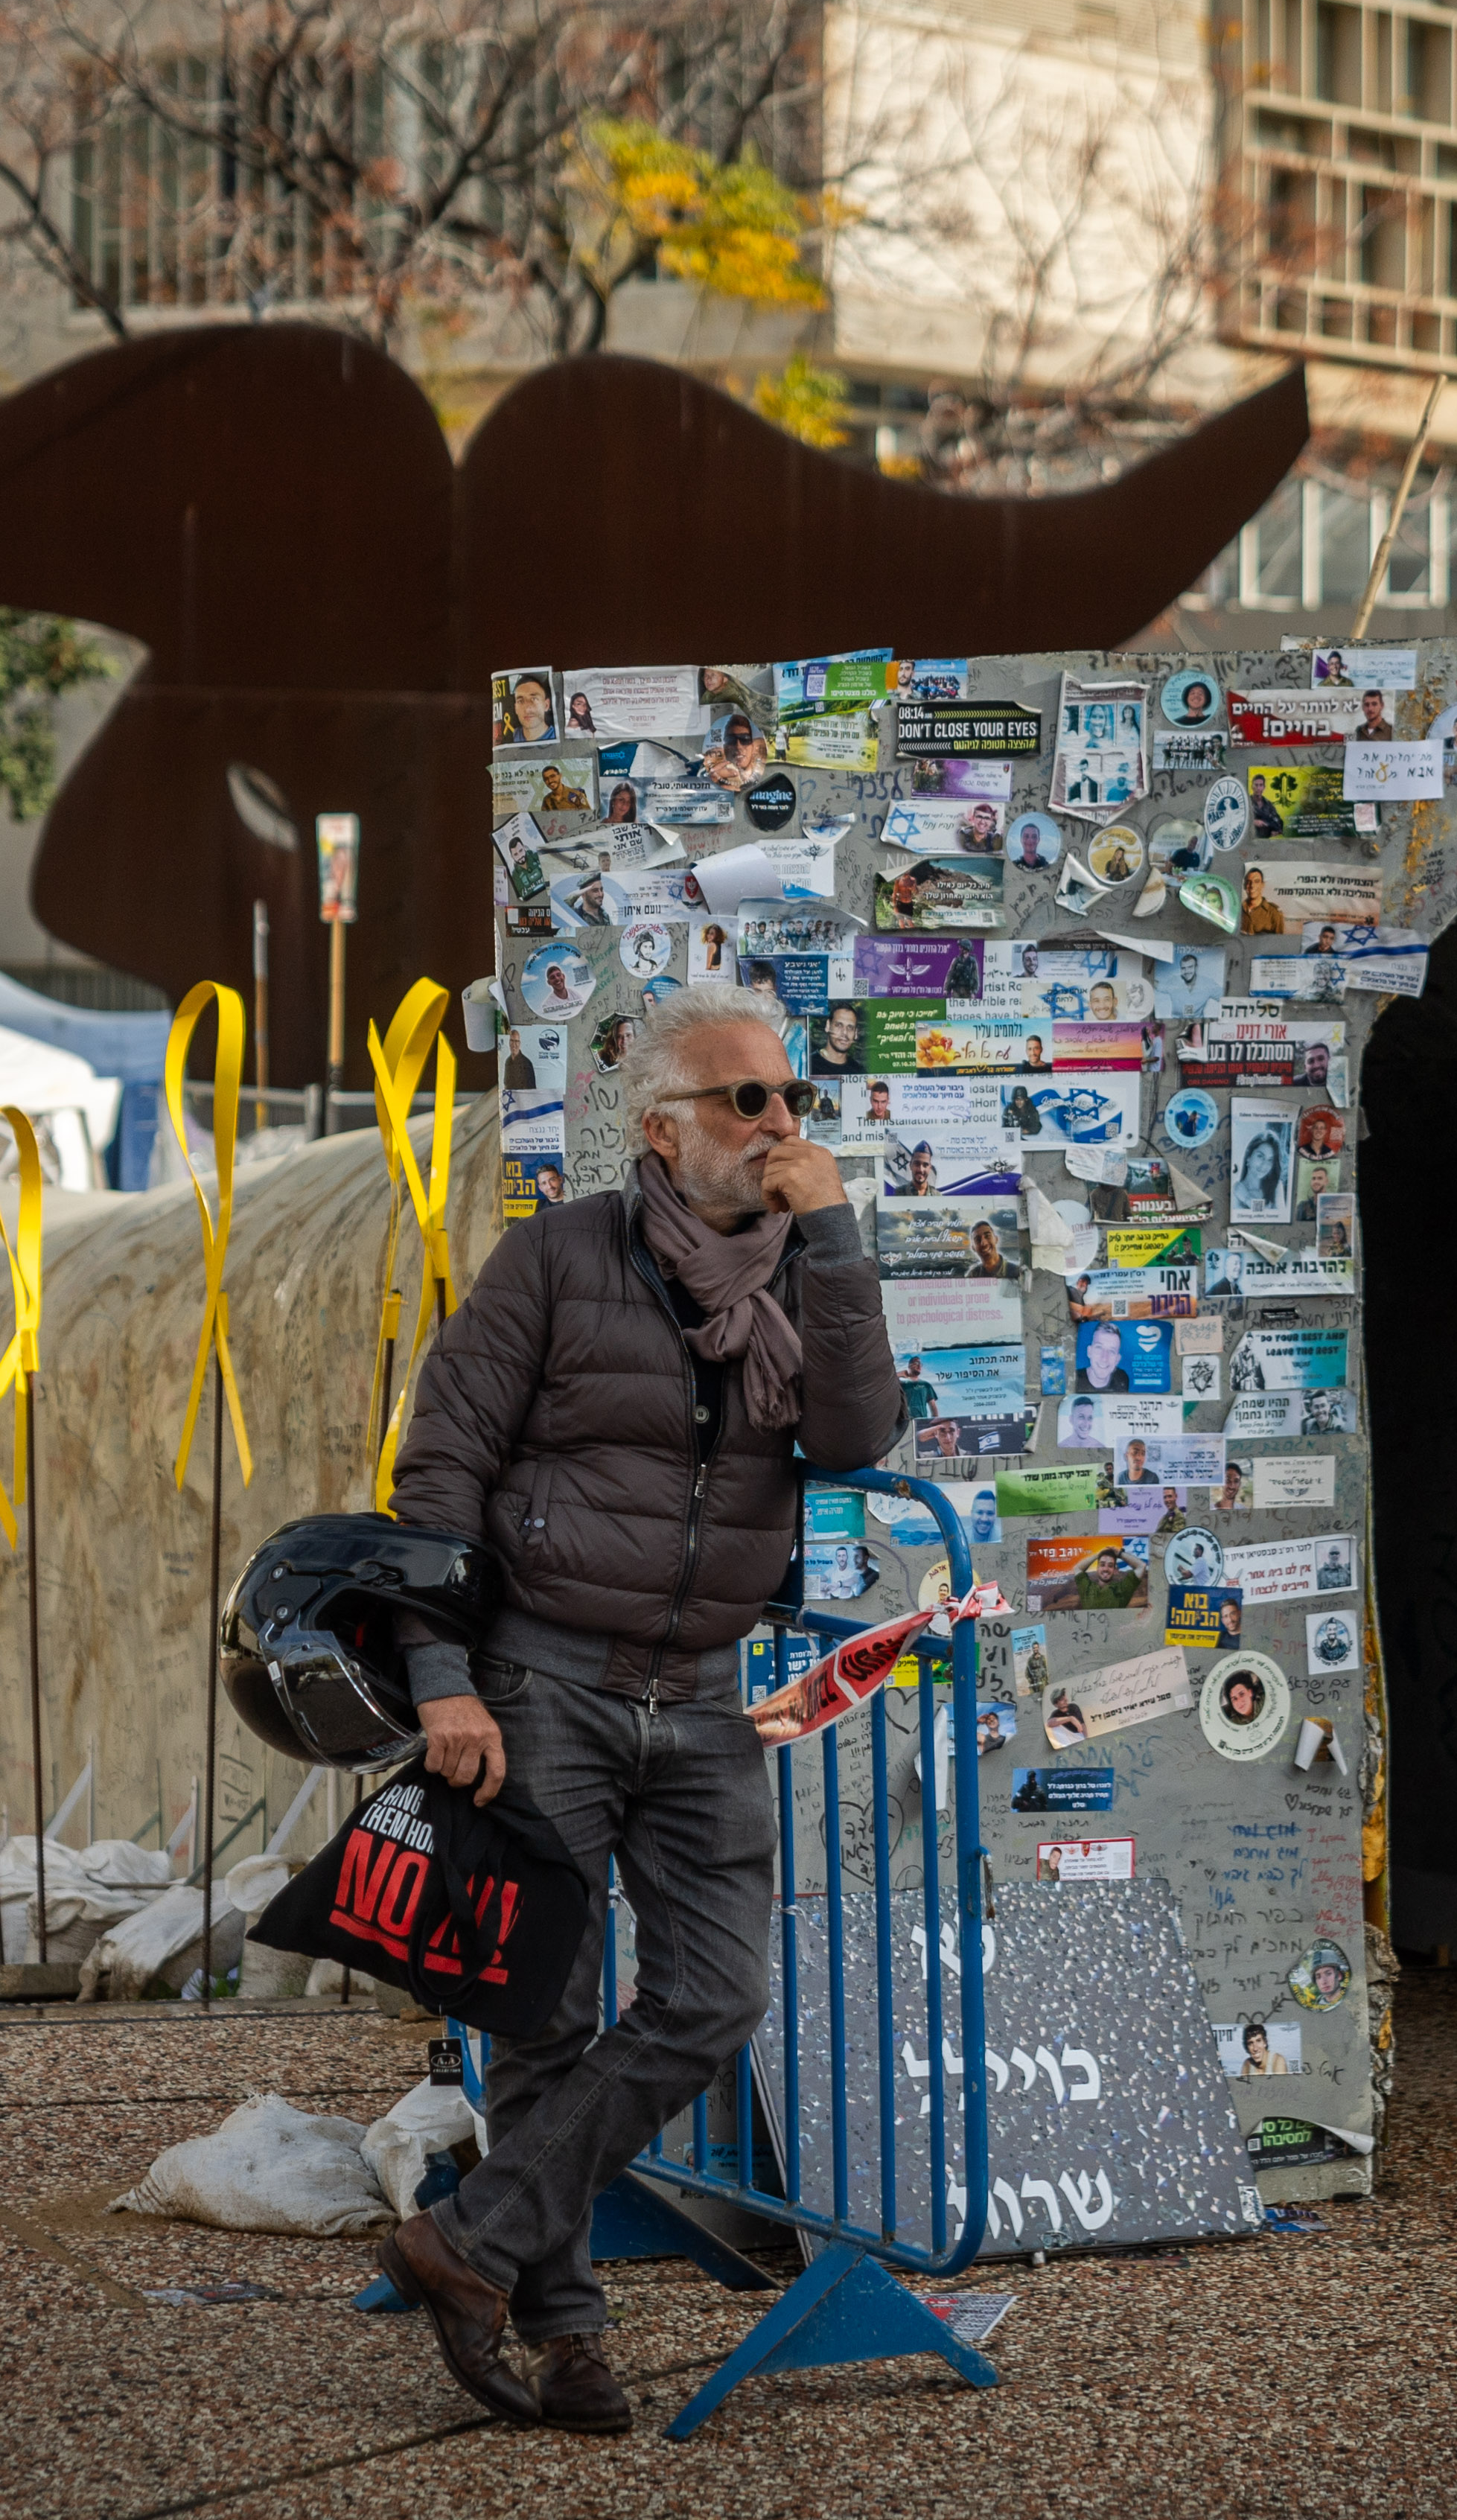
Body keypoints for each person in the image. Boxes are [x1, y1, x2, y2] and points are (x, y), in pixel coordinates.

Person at [369, 982, 899, 2431]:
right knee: (544, 2011)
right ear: (665, 1131)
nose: (780, 1123)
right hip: (544, 1677)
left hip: (705, 1689)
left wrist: (839, 1234)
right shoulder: (554, 1257)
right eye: (748, 1101)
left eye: (791, 1099)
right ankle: (569, 2338)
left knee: (715, 1996)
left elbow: (857, 1429)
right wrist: (439, 1676)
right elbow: (442, 1468)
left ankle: (470, 2238)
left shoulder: (803, 1273)